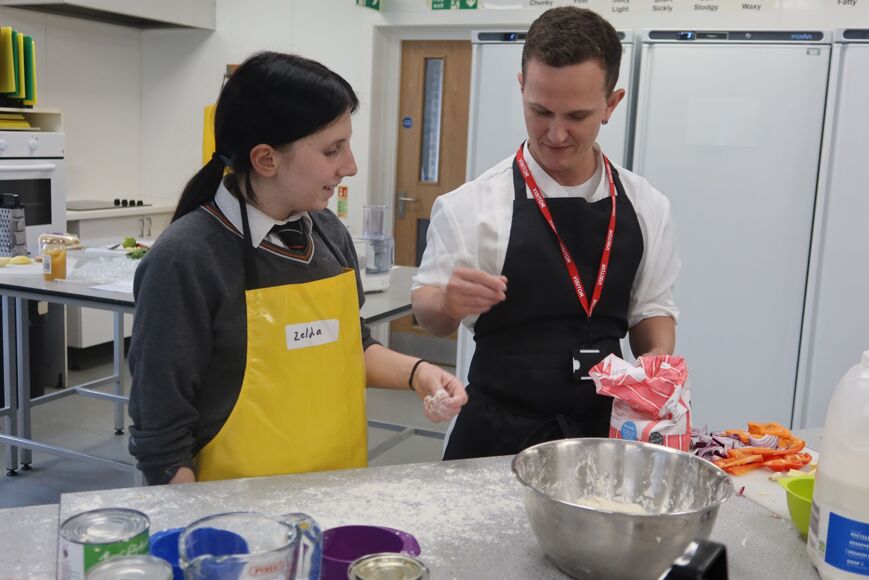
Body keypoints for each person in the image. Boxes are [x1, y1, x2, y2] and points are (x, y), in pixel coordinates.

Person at [128, 51, 467, 485]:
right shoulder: (186, 259)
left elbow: (350, 347)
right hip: (233, 511)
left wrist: (419, 373)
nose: (350, 166)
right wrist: (198, 523)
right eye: (332, 150)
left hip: (335, 491)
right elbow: (161, 434)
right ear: (266, 159)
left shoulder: (328, 233)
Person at [412, 7, 681, 460]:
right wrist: (447, 304)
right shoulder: (471, 206)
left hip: (602, 435)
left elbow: (651, 309)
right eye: (540, 111)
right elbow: (430, 315)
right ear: (522, 88)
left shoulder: (646, 205)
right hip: (495, 438)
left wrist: (656, 366)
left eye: (576, 116)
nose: (555, 134)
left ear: (611, 104)